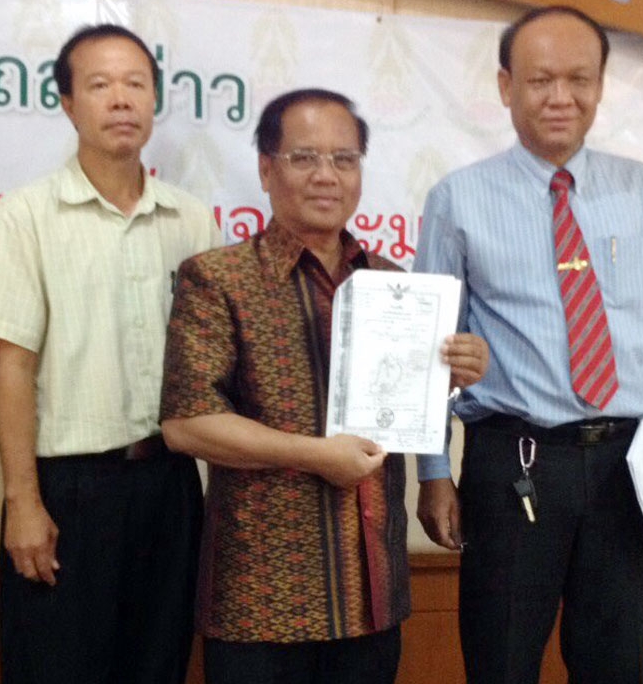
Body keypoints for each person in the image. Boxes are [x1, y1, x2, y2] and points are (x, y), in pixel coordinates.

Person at [160, 88, 489, 684]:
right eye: (304, 157)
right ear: (266, 169)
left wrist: (456, 372)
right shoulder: (217, 279)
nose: (326, 175)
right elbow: (187, 424)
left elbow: (406, 413)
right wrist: (316, 455)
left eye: (344, 159)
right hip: (261, 600)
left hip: (371, 594)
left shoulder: (395, 284)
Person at [413, 6, 643, 683]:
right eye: (541, 80)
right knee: (502, 662)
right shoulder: (459, 198)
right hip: (515, 460)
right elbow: (431, 348)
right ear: (506, 86)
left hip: (628, 465)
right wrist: (432, 470)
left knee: (615, 666)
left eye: (580, 79)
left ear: (601, 86)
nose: (561, 97)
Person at [0, 24, 220, 684]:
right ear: (69, 104)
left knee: (158, 667)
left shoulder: (191, 220)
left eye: (136, 84)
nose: (121, 99)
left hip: (169, 486)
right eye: (100, 85)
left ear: (155, 100)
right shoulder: (27, 214)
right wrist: (23, 501)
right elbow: (12, 366)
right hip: (68, 491)